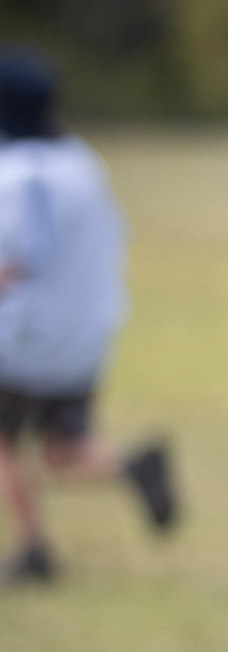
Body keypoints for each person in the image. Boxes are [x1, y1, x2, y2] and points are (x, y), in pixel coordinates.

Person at [0, 47, 176, 586]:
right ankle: (134, 468)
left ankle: (34, 548)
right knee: (62, 449)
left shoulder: (16, 175)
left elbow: (18, 260)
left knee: (6, 442)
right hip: (85, 334)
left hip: (24, 339)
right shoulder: (82, 162)